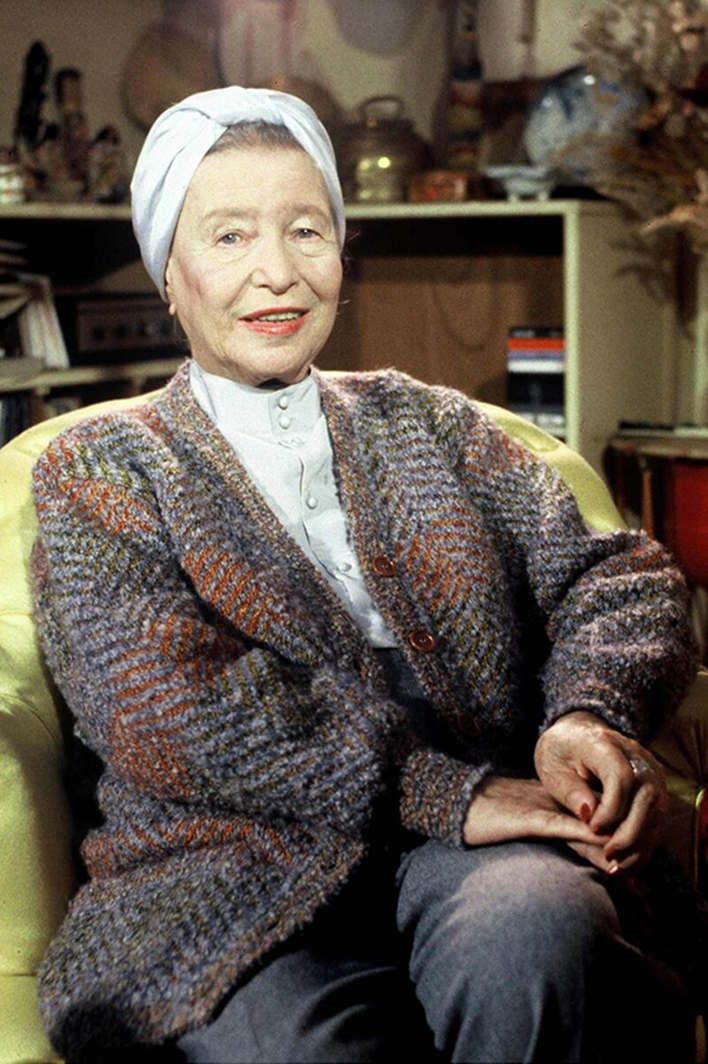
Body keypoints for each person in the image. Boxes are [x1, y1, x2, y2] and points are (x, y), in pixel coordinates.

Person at [31, 86, 700, 1064]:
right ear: (169, 274)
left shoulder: (433, 425)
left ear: (342, 251)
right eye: (229, 236)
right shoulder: (101, 469)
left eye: (306, 229)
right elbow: (176, 710)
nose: (277, 270)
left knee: (538, 932)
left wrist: (585, 714)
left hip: (473, 848)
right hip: (226, 874)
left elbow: (618, 580)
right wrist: (445, 792)